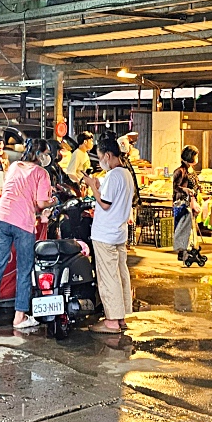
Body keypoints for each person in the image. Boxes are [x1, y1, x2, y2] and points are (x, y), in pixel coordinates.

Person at [0, 138, 55, 333]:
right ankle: (19, 317)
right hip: (23, 223)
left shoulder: (14, 166)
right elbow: (40, 203)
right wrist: (52, 201)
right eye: (46, 153)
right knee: (24, 270)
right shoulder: (42, 173)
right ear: (40, 155)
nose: (48, 157)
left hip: (2, 218)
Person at [82, 136, 135, 334]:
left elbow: (105, 203)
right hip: (119, 233)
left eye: (100, 157)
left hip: (106, 234)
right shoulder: (127, 174)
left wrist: (91, 185)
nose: (100, 161)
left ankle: (112, 321)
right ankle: (120, 318)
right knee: (120, 275)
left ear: (108, 155)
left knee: (108, 277)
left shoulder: (114, 176)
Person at [172, 145, 206, 264]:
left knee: (190, 230)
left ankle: (188, 251)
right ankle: (183, 252)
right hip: (182, 204)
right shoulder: (179, 171)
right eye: (195, 156)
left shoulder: (191, 170)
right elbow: (176, 187)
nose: (197, 158)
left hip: (191, 203)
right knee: (183, 229)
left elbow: (194, 183)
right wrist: (185, 190)